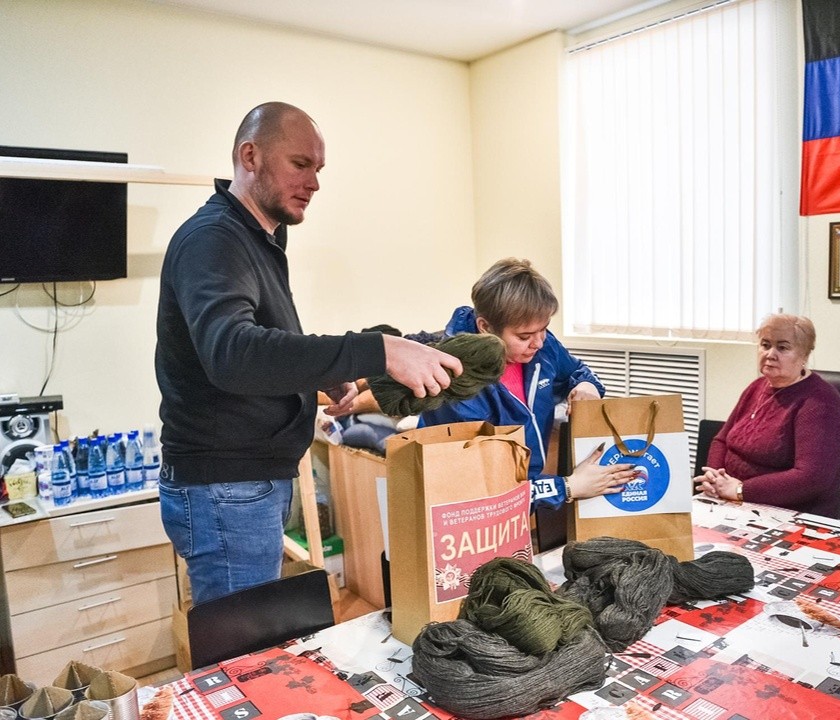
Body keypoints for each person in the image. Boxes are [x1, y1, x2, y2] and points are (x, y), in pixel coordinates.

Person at [155, 102, 462, 604]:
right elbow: (233, 354)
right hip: (227, 487)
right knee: (241, 653)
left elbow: (261, 347)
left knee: (251, 641)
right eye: (300, 164)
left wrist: (311, 378)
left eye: (318, 169)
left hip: (246, 483)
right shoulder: (214, 240)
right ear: (249, 155)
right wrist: (378, 350)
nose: (314, 183)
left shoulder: (258, 239)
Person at [419, 258, 637, 509]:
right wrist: (568, 487)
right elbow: (486, 492)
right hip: (465, 509)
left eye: (544, 329)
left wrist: (586, 386)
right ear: (485, 328)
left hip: (526, 491)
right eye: (524, 336)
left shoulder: (540, 346)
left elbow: (578, 371)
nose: (539, 342)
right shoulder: (457, 385)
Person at [695, 313, 840, 517]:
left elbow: (811, 478)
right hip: (732, 503)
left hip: (791, 515)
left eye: (783, 347)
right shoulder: (757, 387)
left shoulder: (821, 402)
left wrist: (740, 490)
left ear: (804, 355)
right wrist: (714, 478)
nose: (770, 354)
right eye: (765, 345)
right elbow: (721, 440)